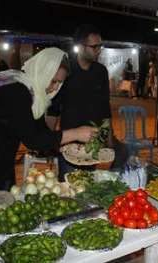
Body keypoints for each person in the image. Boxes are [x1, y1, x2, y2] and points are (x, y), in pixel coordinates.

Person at [0, 47, 96, 193]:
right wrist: (76, 133)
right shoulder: (16, 91)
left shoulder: (33, 92)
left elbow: (41, 131)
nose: (54, 88)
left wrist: (65, 147)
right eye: (53, 81)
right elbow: (34, 139)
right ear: (42, 72)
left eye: (59, 83)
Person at [47, 24, 115, 178]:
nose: (98, 49)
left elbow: (105, 109)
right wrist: (49, 143)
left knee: (89, 189)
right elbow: (53, 109)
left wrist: (110, 142)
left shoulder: (101, 72)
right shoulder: (66, 70)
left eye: (100, 46)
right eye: (94, 46)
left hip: (94, 145)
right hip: (69, 145)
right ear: (81, 46)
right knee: (69, 189)